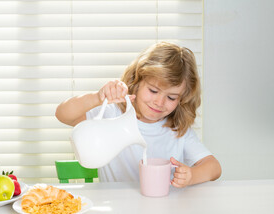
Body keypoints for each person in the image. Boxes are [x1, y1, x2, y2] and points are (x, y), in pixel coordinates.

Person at [55, 42, 221, 187]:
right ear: (136, 82)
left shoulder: (177, 130)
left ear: (182, 99)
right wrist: (97, 98)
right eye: (153, 90)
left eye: (171, 97)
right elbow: (63, 114)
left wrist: (192, 176)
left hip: (164, 211)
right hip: (117, 211)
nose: (159, 102)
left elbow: (214, 167)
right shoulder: (113, 113)